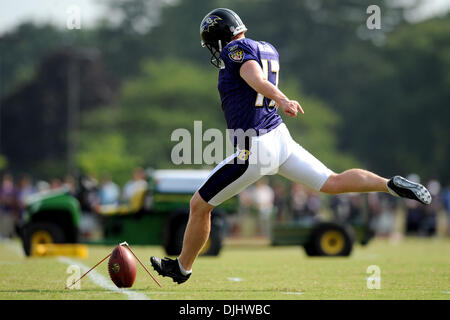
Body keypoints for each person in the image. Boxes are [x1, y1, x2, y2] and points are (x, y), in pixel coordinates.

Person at [150, 8, 432, 284]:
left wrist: (283, 99)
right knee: (332, 181)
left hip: (256, 146)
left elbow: (255, 78)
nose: (214, 50)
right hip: (280, 139)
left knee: (199, 205)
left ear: (221, 36)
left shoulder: (234, 50)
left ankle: (182, 268)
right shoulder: (268, 47)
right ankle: (389, 184)